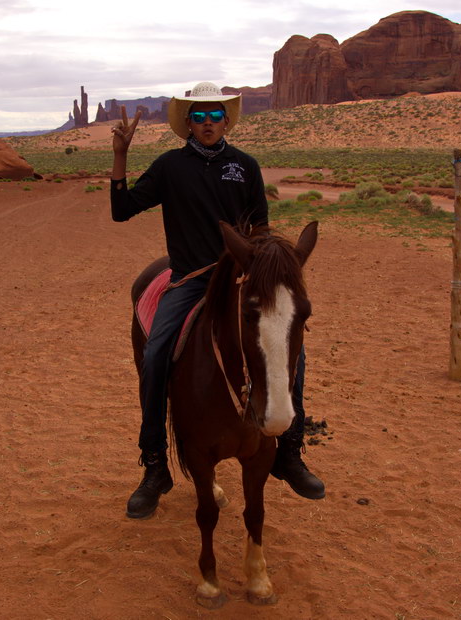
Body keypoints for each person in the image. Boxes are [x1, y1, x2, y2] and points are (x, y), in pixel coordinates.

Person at [110, 82, 325, 519]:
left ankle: (289, 452)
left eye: (214, 116)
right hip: (190, 280)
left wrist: (258, 268)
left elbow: (261, 230)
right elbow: (121, 209)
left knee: (293, 354)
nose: (207, 123)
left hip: (240, 279)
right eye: (199, 116)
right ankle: (154, 464)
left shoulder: (244, 166)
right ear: (188, 124)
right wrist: (120, 156)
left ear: (226, 122)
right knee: (155, 354)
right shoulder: (170, 166)